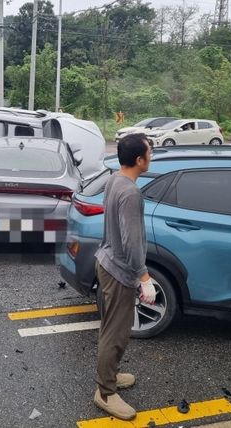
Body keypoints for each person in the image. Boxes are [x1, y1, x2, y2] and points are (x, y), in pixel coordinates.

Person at [92, 133, 156, 421]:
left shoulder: (115, 179)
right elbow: (131, 242)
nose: (151, 156)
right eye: (149, 153)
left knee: (110, 329)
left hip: (106, 262)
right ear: (139, 160)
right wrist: (143, 277)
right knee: (115, 334)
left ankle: (111, 376)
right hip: (118, 270)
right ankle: (105, 392)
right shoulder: (130, 192)